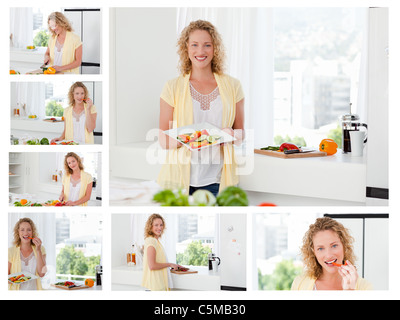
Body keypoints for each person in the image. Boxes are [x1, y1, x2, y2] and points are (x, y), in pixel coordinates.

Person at [157, 20, 245, 197]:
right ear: (186, 48)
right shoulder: (172, 87)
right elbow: (163, 139)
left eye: (207, 45)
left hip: (217, 181)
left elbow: (241, 134)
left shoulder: (233, 86)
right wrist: (193, 138)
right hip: (177, 180)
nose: (201, 51)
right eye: (194, 45)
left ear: (215, 48)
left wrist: (229, 135)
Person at [291, 217, 372, 290]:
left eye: (334, 246)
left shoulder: (364, 287)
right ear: (313, 252)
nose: (328, 255)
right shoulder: (299, 284)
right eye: (320, 248)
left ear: (344, 246)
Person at [141, 214, 183, 291]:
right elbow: (152, 265)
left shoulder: (155, 241)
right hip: (156, 285)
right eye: (156, 225)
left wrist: (173, 265)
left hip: (159, 283)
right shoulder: (151, 241)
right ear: (150, 226)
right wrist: (170, 264)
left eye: (161, 225)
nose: (159, 228)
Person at [8, 218, 47, 290]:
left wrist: (38, 250)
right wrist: (18, 279)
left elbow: (42, 274)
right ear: (18, 232)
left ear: (33, 232)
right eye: (22, 230)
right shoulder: (10, 251)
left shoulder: (41, 249)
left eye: (29, 230)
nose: (26, 233)